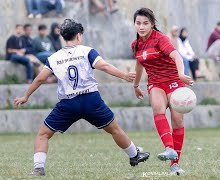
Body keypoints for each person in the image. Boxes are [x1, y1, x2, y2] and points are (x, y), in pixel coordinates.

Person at [14, 19, 150, 176]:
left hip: (68, 103)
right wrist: (124, 75)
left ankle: (38, 168)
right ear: (79, 36)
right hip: (91, 100)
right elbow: (104, 66)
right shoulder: (87, 51)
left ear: (63, 37)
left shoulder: (54, 58)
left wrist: (26, 96)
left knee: (43, 134)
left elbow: (39, 79)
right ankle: (134, 156)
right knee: (114, 129)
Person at [131, 8, 193, 175]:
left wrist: (181, 74)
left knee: (177, 121)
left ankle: (175, 164)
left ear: (152, 24)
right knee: (157, 109)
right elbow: (139, 64)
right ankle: (169, 148)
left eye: (145, 23)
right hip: (155, 83)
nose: (141, 26)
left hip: (174, 80)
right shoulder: (136, 45)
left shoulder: (161, 39)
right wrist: (136, 85)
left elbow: (177, 56)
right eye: (138, 23)